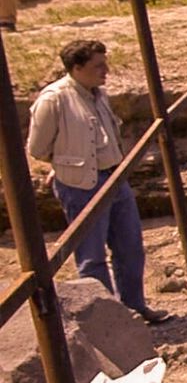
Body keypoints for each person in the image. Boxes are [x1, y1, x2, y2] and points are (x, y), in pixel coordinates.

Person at [26, 40, 168, 324]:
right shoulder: (54, 99)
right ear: (77, 68)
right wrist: (65, 163)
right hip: (81, 185)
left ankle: (134, 307)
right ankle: (107, 321)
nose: (106, 71)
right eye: (98, 66)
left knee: (130, 247)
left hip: (114, 179)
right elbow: (37, 148)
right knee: (92, 257)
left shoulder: (98, 93)